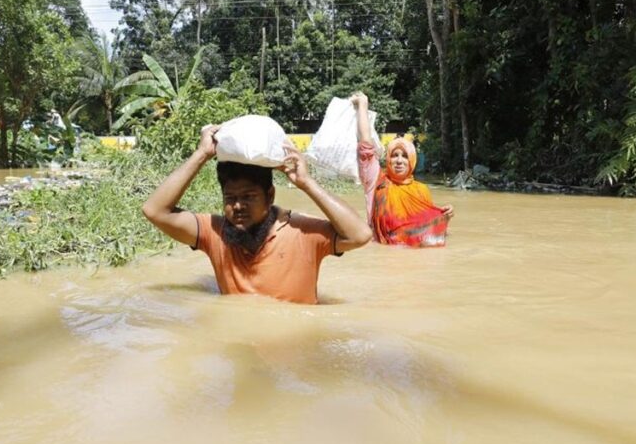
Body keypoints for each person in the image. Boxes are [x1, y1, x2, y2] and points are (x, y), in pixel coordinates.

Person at [142, 124, 373, 304]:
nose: (238, 206)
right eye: (230, 198)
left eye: (249, 197)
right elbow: (154, 210)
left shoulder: (302, 232)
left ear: (270, 196)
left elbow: (360, 235)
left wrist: (307, 183)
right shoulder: (215, 233)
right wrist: (202, 154)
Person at [352, 92, 454, 247]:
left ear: (412, 161)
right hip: (384, 257)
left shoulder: (421, 191)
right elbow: (365, 147)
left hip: (415, 261)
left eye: (405, 156)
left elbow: (426, 231)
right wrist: (362, 106)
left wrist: (446, 216)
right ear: (388, 159)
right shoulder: (376, 182)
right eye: (394, 155)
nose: (399, 160)